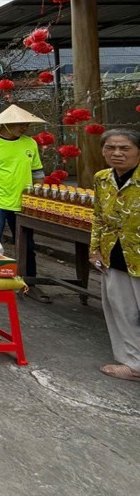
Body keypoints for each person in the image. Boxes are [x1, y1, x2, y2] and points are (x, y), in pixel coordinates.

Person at [0, 105, 48, 302]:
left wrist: (39, 196)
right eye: (20, 124)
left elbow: (37, 172)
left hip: (24, 202)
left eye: (26, 124)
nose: (24, 127)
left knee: (27, 245)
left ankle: (29, 283)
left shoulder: (29, 143)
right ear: (5, 124)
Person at [90, 129, 140, 382]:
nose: (117, 153)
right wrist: (94, 249)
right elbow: (98, 216)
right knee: (122, 310)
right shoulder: (102, 179)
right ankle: (134, 364)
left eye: (124, 148)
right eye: (110, 148)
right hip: (115, 252)